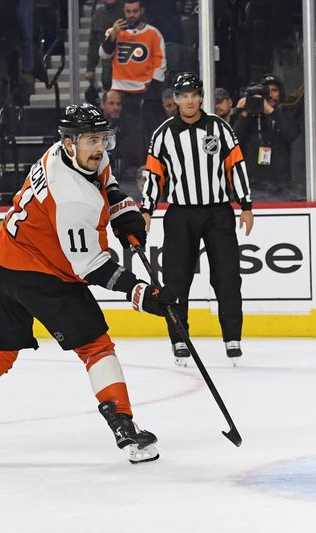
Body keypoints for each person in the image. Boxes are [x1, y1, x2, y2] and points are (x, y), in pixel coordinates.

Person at [0, 103, 178, 464]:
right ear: (71, 143)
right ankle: (125, 429)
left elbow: (105, 178)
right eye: (92, 140)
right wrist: (142, 294)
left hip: (4, 263)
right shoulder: (72, 198)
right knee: (96, 348)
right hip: (45, 276)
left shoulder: (65, 153)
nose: (100, 147)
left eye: (102, 138)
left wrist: (121, 209)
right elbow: (93, 268)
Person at [141, 72, 253, 363]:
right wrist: (146, 209)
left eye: (194, 94)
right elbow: (154, 174)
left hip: (218, 212)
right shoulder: (163, 133)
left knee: (227, 277)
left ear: (201, 97)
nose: (190, 101)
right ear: (175, 100)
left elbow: (236, 166)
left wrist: (246, 205)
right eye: (183, 95)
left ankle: (232, 337)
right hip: (180, 214)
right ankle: (179, 339)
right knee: (176, 281)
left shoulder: (220, 128)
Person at [99, 0, 167, 160]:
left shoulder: (153, 33)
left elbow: (160, 59)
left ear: (141, 11)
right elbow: (104, 54)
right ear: (123, 11)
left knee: (143, 131)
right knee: (122, 131)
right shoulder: (114, 31)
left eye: (135, 11)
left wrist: (154, 83)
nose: (131, 15)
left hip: (144, 90)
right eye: (128, 11)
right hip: (120, 90)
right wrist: (113, 35)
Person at [233, 73, 299, 201]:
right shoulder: (249, 117)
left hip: (281, 187)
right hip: (252, 186)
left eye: (274, 90)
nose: (270, 94)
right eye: (266, 91)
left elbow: (291, 134)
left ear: (281, 93)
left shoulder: (287, 115)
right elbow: (234, 140)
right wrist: (244, 111)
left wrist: (271, 111)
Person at [86, 0, 124, 91]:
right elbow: (93, 44)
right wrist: (90, 68)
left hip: (128, 69)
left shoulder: (129, 11)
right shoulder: (98, 15)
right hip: (108, 72)